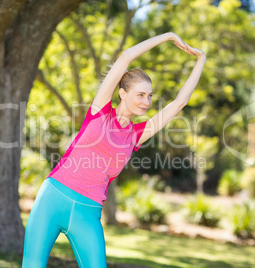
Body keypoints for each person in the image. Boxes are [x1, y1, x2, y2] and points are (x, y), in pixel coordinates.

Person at [22, 32, 206, 268]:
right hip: (52, 198)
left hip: (87, 214)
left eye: (149, 96)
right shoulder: (99, 111)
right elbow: (126, 56)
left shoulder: (137, 134)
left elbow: (179, 103)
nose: (146, 102)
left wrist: (200, 59)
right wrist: (168, 37)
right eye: (140, 94)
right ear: (123, 94)